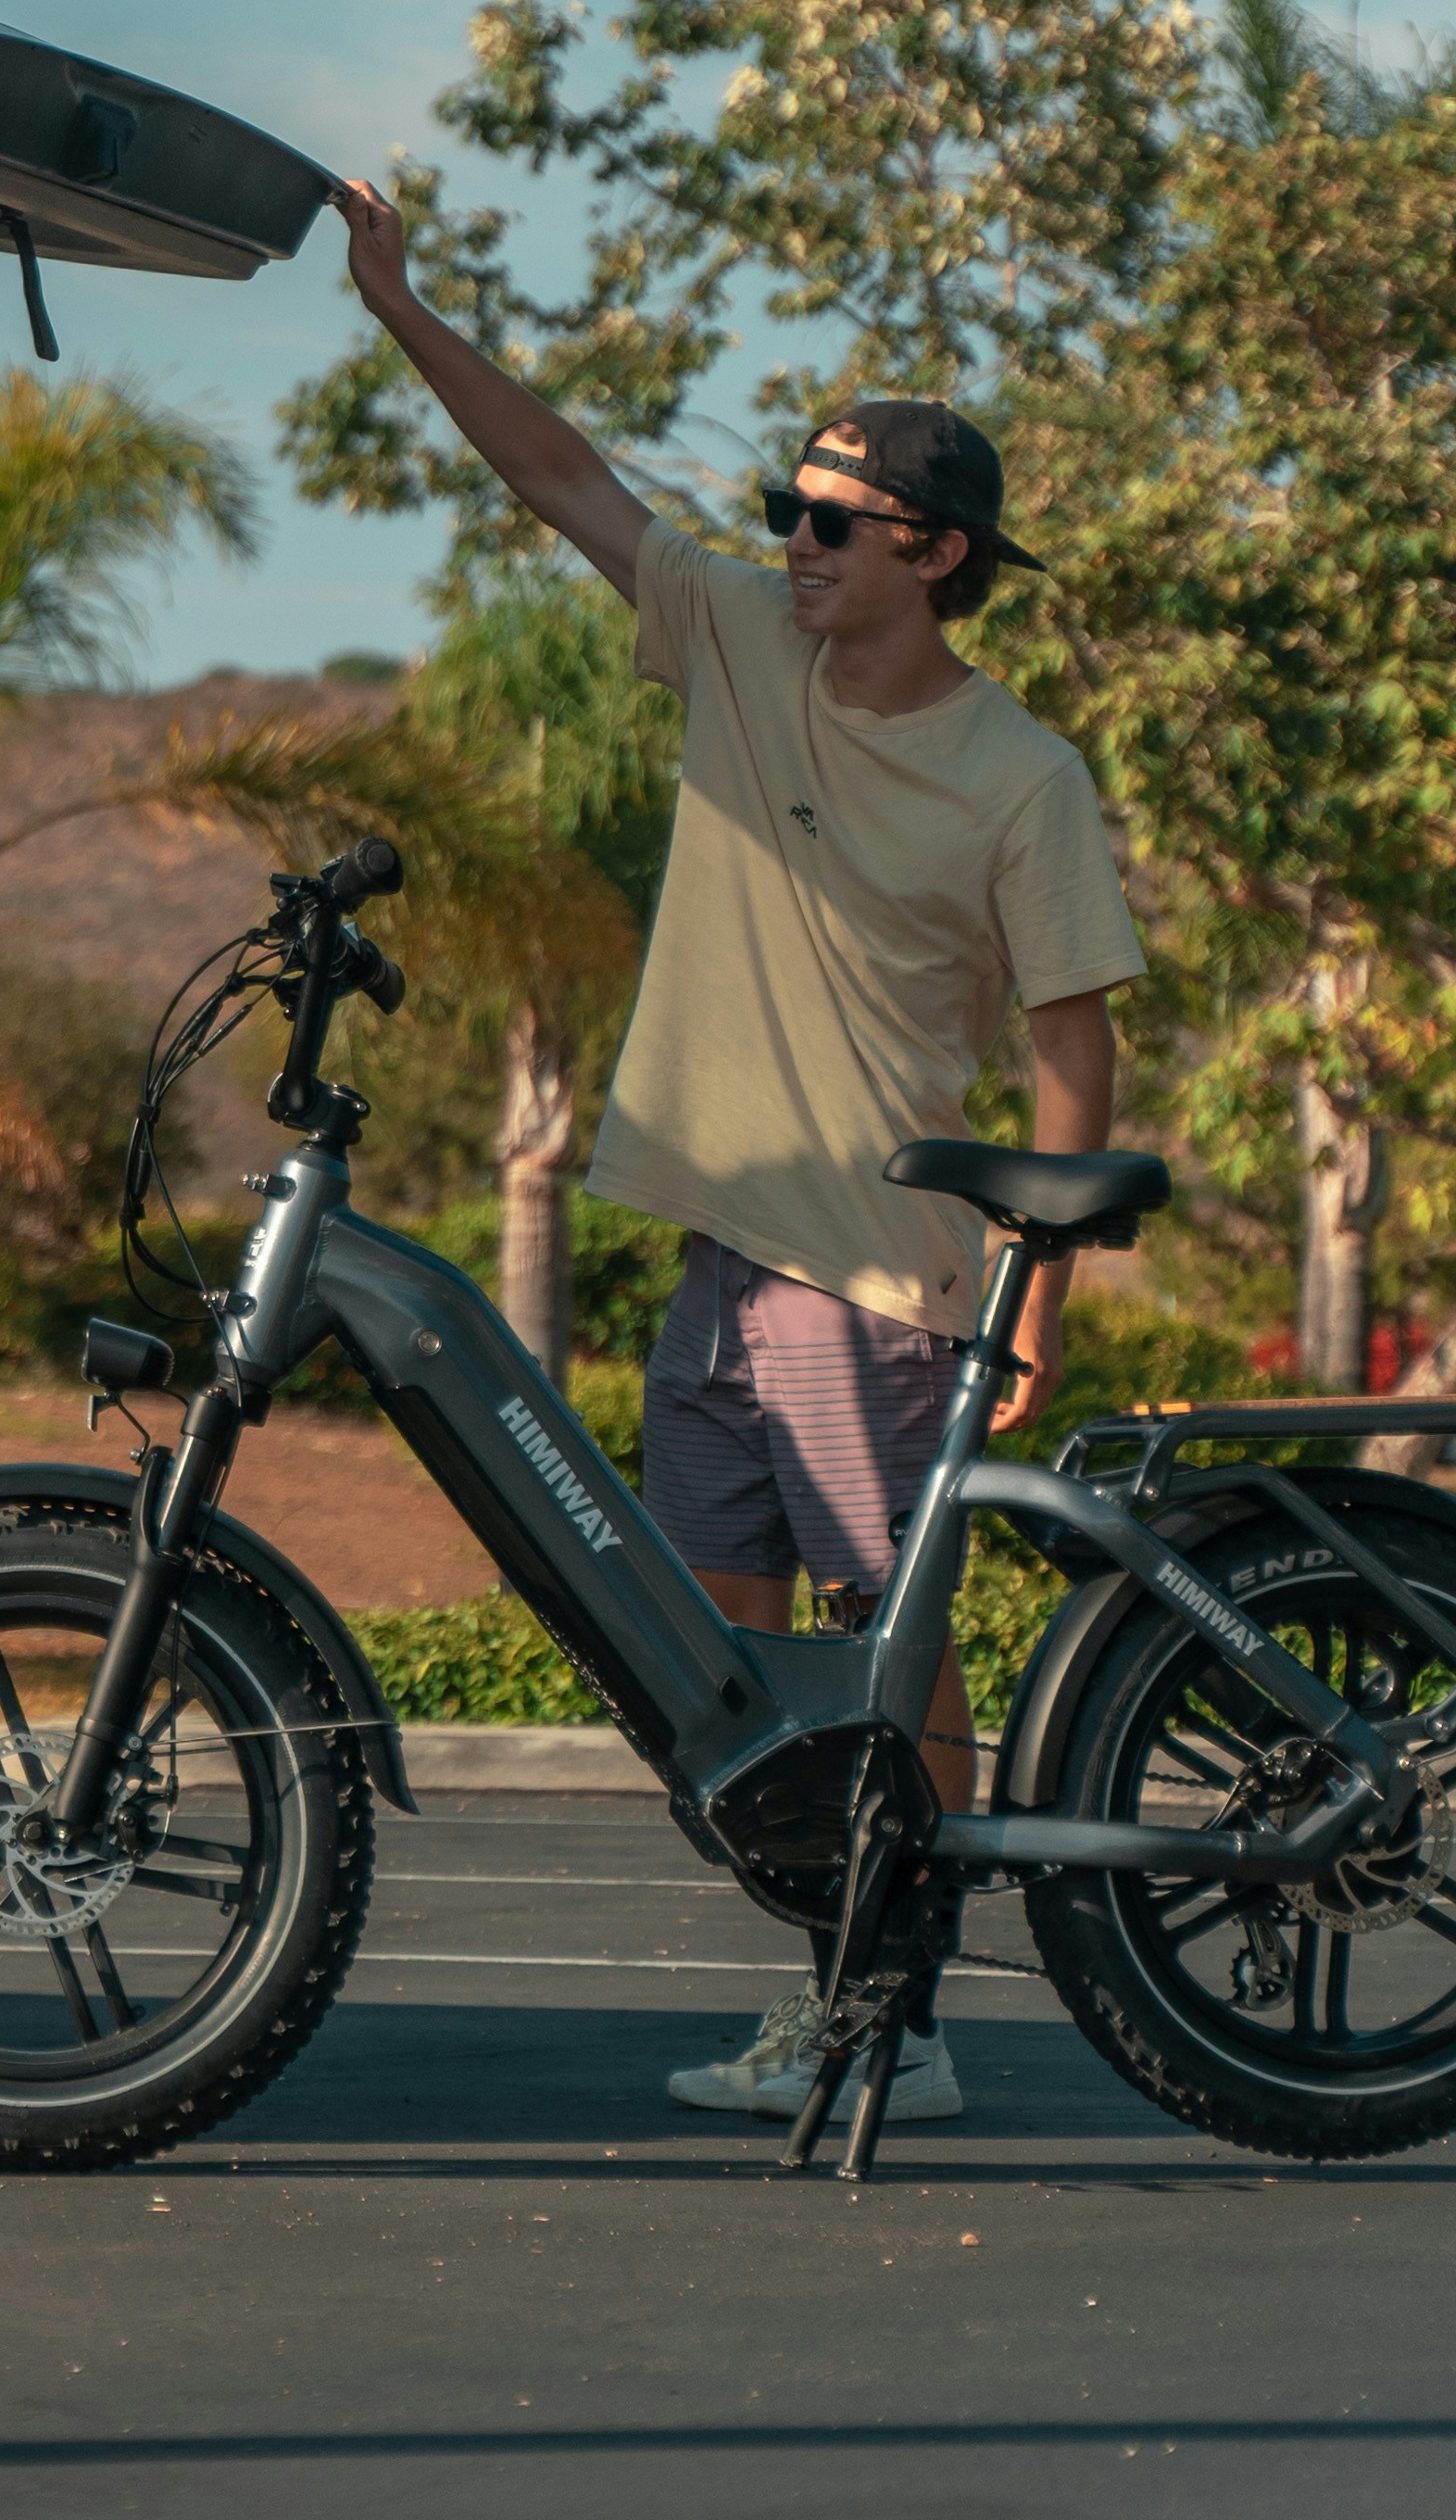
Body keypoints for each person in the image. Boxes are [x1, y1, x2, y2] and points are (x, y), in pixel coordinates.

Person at [332, 176, 1142, 2127]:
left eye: (831, 522)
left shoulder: (1017, 775)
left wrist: (1033, 1290)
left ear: (932, 553)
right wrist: (398, 304)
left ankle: (909, 2014)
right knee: (741, 1684)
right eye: (786, 508)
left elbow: (1069, 1038)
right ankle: (834, 1988)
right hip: (718, 1259)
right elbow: (559, 474)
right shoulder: (727, 640)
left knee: (888, 1661)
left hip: (879, 1272)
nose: (788, 541)